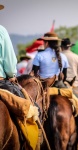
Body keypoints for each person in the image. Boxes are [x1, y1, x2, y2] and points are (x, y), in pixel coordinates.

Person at [0, 4, 39, 150]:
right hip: (1, 82)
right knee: (26, 108)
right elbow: (9, 62)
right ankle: (28, 142)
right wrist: (11, 75)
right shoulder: (1, 30)